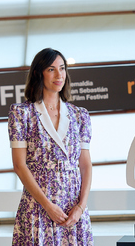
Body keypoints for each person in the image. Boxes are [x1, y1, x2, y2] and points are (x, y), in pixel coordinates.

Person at [8, 48, 94, 245]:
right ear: (39, 73)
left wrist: (81, 207)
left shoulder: (80, 115)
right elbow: (20, 166)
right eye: (51, 69)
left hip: (73, 210)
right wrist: (48, 206)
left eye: (62, 68)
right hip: (38, 207)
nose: (59, 75)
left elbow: (85, 165)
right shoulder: (22, 113)